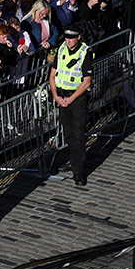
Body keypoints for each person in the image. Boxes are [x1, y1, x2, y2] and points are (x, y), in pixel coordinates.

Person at [49, 26, 94, 186]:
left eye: (71, 38)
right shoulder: (62, 49)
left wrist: (72, 98)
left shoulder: (85, 52)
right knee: (69, 135)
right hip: (62, 97)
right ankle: (75, 160)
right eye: (66, 38)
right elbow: (53, 75)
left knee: (79, 134)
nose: (68, 41)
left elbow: (87, 81)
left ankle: (78, 171)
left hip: (78, 99)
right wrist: (56, 96)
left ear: (79, 37)